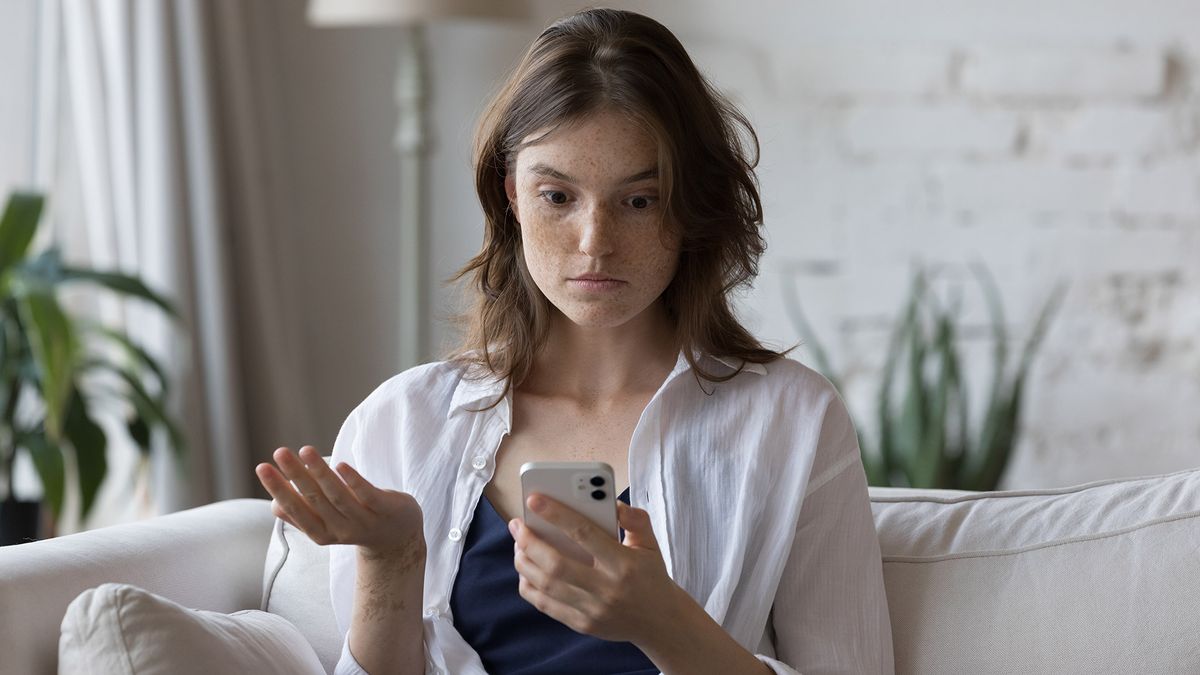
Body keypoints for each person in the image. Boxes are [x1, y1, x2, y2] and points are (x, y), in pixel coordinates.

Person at [255, 8, 894, 675]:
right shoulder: (401, 424)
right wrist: (393, 559)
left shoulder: (789, 422)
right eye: (558, 196)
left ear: (690, 208)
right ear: (512, 199)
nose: (595, 242)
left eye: (639, 200)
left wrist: (665, 622)